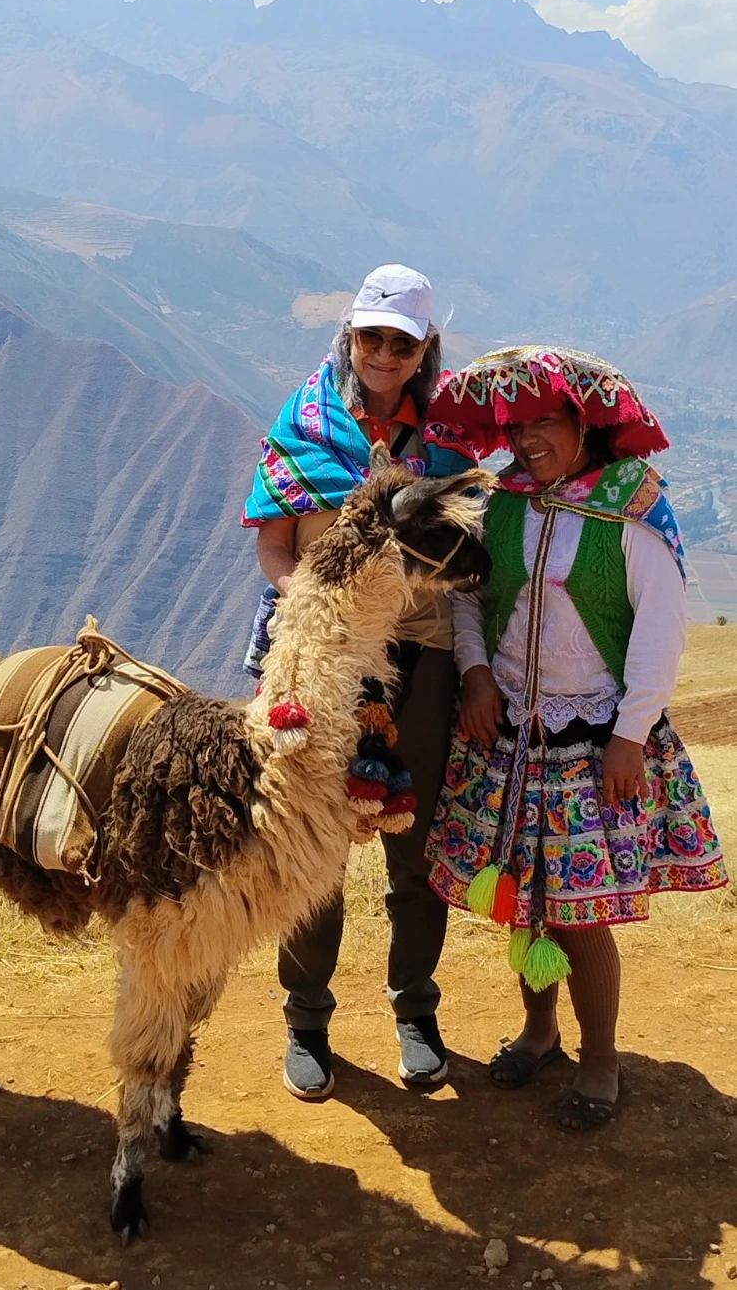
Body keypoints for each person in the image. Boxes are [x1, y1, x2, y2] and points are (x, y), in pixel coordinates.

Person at [425, 346, 727, 1129]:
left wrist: (631, 734)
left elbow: (661, 626)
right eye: (516, 424)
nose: (526, 438)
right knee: (524, 899)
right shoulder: (500, 503)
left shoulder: (632, 505)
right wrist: (477, 674)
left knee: (579, 912)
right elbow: (468, 595)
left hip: (593, 736)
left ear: (583, 422)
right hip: (511, 734)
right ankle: (539, 1028)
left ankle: (601, 1059)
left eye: (544, 421)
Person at [242, 264, 476, 1099]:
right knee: (313, 843)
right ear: (351, 336)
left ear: (423, 351)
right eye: (370, 336)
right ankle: (306, 1018)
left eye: (400, 342)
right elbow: (274, 545)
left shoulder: (448, 440)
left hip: (424, 652)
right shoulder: (305, 421)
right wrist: (313, 600)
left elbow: (465, 567)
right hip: (327, 658)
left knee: (416, 841)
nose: (382, 352)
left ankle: (415, 1007)